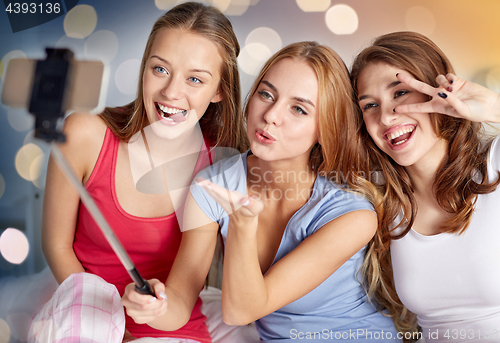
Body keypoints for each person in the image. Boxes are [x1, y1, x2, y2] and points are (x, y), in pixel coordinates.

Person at [34, 2, 247, 342]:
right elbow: (56, 245)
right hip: (84, 313)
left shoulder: (218, 169)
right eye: (160, 70)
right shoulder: (84, 135)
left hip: (173, 327)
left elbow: (178, 305)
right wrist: (103, 317)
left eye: (195, 79)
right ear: (144, 66)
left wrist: (155, 310)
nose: (171, 92)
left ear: (220, 90)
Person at [184, 41, 400, 342]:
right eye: (266, 94)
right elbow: (182, 293)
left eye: (298, 109)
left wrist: (243, 224)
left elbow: (240, 311)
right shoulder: (215, 182)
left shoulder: (351, 215)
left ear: (326, 129)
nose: (271, 115)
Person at [350, 31, 500, 342]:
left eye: (401, 93)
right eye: (369, 106)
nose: (387, 116)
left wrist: (494, 107)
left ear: (439, 91)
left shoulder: (494, 163)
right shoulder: (381, 203)